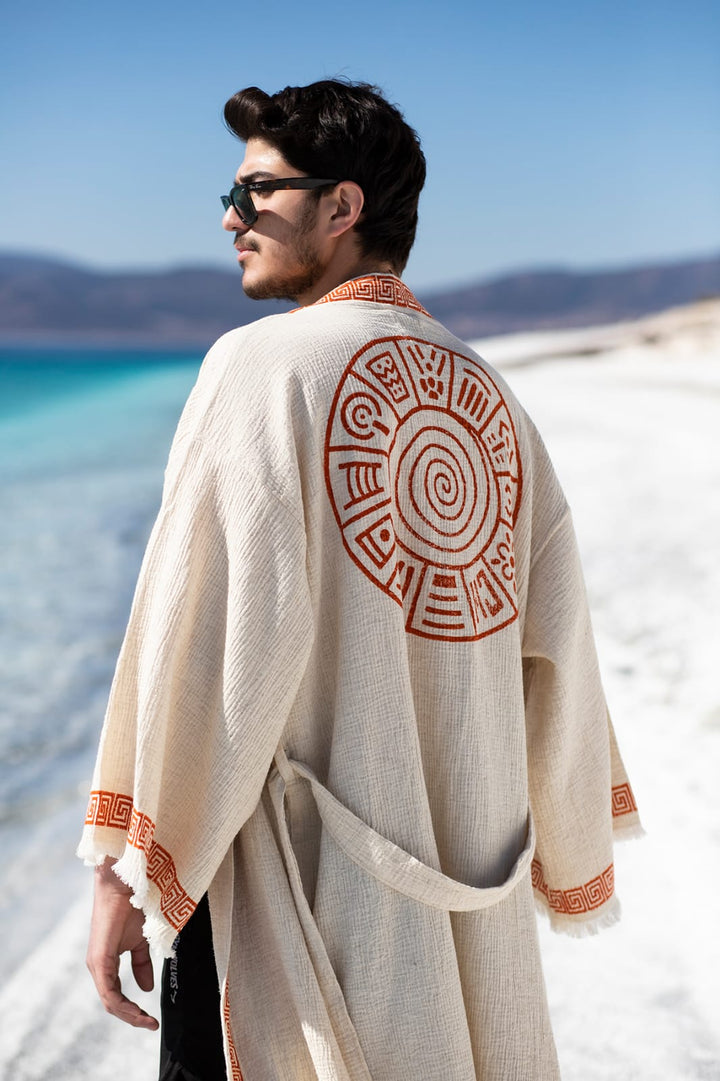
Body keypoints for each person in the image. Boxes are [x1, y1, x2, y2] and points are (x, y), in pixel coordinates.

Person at [79, 79, 641, 1081]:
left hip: (292, 890)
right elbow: (560, 650)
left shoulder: (263, 367)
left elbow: (199, 638)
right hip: (466, 873)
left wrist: (130, 866)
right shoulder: (492, 393)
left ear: (342, 208)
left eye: (257, 192)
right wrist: (565, 851)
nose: (230, 217)